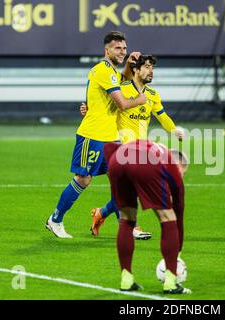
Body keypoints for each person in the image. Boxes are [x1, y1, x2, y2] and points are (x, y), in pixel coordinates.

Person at [45, 31, 146, 238]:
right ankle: (55, 220)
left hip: (111, 137)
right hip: (92, 136)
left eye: (124, 49)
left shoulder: (111, 72)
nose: (122, 52)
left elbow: (122, 78)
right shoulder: (102, 70)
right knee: (83, 179)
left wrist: (128, 63)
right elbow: (123, 103)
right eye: (118, 48)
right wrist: (140, 99)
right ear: (106, 50)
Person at [82, 55, 185, 239]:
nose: (150, 71)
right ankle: (132, 227)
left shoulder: (152, 95)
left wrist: (174, 130)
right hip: (118, 146)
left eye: (152, 67)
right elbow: (102, 103)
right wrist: (87, 109)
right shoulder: (122, 89)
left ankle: (101, 213)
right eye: (146, 67)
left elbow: (162, 116)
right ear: (136, 70)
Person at [103, 139, 191, 294]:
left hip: (116, 161)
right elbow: (179, 210)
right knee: (167, 217)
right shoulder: (170, 163)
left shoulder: (153, 146)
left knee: (126, 218)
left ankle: (126, 280)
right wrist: (177, 253)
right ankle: (170, 282)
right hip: (144, 163)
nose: (182, 176)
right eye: (184, 172)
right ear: (180, 166)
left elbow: (109, 147)